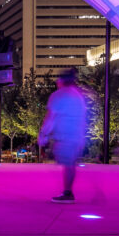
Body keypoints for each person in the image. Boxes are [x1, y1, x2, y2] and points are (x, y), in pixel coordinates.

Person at [38, 68, 87, 203]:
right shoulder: (78, 96)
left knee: (67, 164)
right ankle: (68, 191)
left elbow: (51, 117)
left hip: (66, 137)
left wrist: (43, 134)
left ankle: (68, 193)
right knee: (69, 164)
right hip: (77, 136)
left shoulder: (58, 95)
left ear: (61, 81)